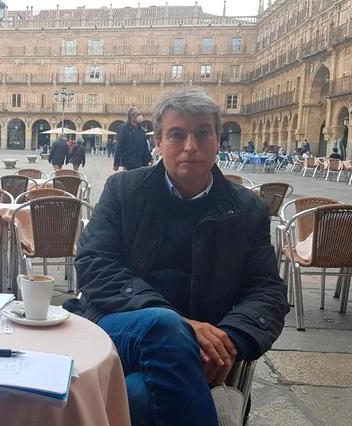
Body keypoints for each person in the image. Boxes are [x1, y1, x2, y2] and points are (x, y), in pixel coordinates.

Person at [63, 89, 288, 426]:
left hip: (206, 348)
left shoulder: (246, 209)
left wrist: (229, 339)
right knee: (164, 327)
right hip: (120, 330)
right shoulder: (123, 191)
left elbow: (267, 292)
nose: (190, 146)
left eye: (202, 133)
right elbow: (94, 264)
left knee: (137, 394)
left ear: (217, 140)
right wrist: (177, 324)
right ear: (158, 141)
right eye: (177, 134)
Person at [114, 107, 152, 171]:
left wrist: (150, 157)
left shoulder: (141, 129)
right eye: (138, 114)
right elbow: (119, 146)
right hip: (130, 162)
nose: (140, 116)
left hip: (142, 162)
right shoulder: (123, 128)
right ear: (131, 116)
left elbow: (145, 145)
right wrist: (116, 163)